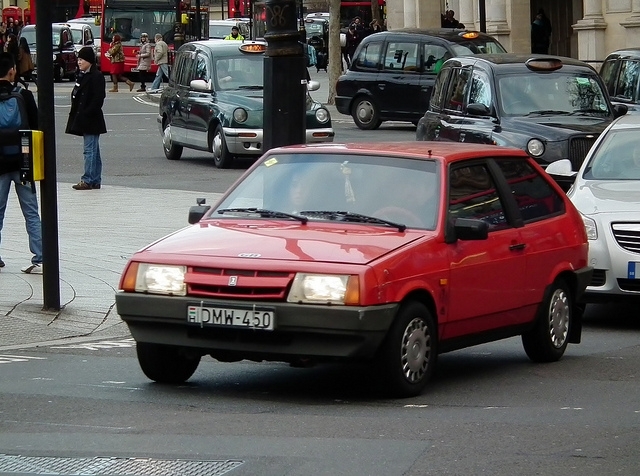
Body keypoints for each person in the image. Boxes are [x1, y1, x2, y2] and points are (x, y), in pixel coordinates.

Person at [0, 52, 42, 274]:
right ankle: (40, 257)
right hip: (23, 162)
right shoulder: (23, 95)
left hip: (0, 165)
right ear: (12, 71)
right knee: (31, 211)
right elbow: (36, 126)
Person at [65, 46, 107, 191]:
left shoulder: (96, 76)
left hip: (91, 119)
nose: (79, 62)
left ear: (89, 60)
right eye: (78, 59)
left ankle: (88, 179)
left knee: (89, 150)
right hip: (84, 117)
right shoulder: (82, 74)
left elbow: (98, 98)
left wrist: (87, 112)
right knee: (94, 150)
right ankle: (95, 179)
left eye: (82, 59)